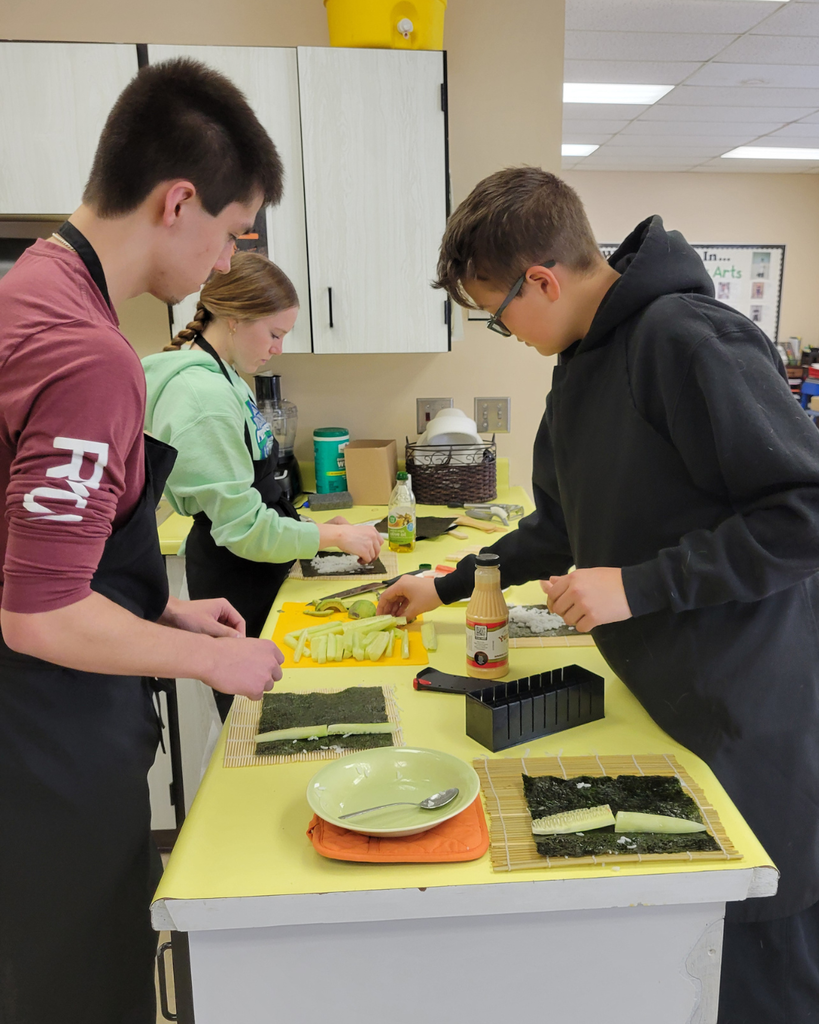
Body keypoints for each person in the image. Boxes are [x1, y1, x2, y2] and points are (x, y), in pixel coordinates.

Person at [378, 166, 819, 1024]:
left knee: (761, 948)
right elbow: (560, 529)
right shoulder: (583, 363)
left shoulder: (687, 340)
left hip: (746, 701)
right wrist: (442, 584)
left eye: (493, 312)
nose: (499, 331)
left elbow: (802, 512)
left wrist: (640, 585)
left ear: (540, 280)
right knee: (692, 950)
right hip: (667, 693)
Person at [0, 59, 290, 1024]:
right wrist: (218, 663)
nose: (222, 264)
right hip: (43, 737)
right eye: (231, 233)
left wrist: (159, 607)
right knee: (79, 984)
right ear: (179, 201)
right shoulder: (91, 355)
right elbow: (40, 614)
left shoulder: (33, 289)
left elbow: (34, 541)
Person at [142, 251, 382, 717]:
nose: (278, 348)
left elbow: (255, 492)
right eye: (274, 333)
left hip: (254, 565)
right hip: (238, 575)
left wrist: (310, 526)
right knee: (263, 723)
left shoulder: (225, 375)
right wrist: (331, 536)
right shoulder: (202, 398)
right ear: (233, 319)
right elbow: (243, 529)